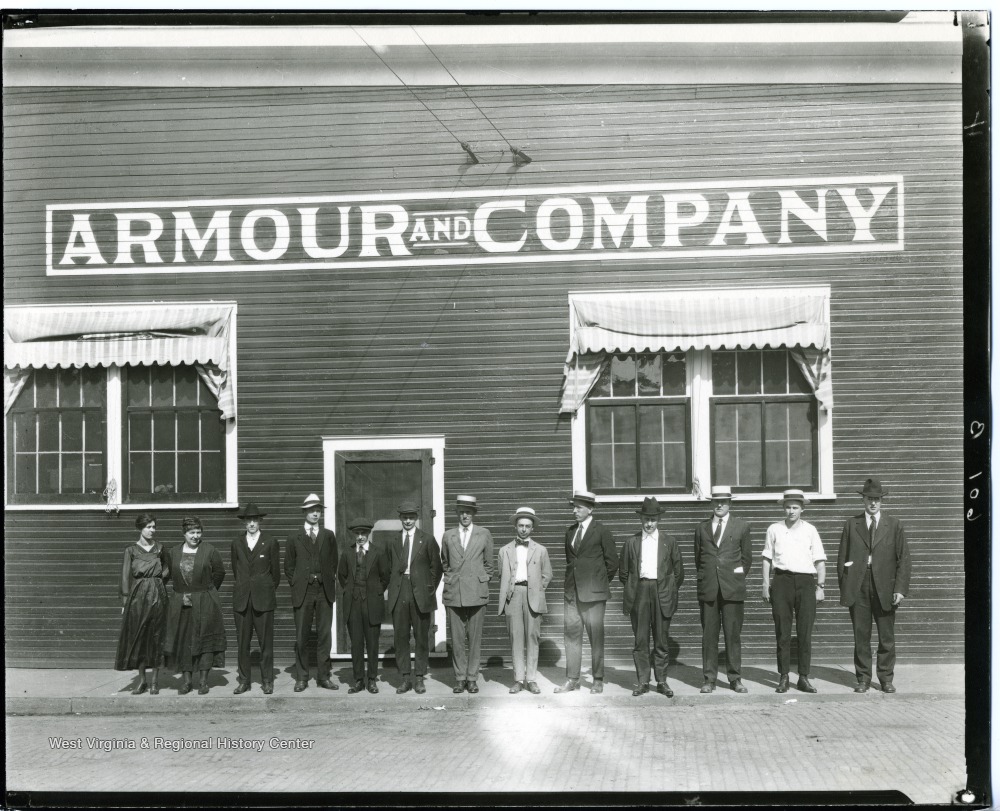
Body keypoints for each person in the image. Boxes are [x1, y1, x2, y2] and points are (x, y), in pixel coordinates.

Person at [837, 478, 912, 693]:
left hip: (885, 587)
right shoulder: (852, 525)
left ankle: (886, 679)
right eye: (869, 499)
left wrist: (899, 589)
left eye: (877, 499)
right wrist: (847, 587)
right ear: (863, 500)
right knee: (861, 636)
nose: (873, 503)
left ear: (881, 501)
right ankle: (862, 678)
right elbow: (842, 560)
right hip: (859, 586)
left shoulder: (894, 525)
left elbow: (903, 561)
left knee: (886, 637)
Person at [761, 489, 827, 694]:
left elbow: (820, 560)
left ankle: (804, 678)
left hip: (806, 582)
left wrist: (820, 586)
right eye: (788, 507)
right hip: (781, 581)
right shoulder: (774, 529)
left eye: (795, 507)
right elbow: (767, 559)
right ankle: (783, 677)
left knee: (805, 632)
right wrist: (765, 585)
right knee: (783, 631)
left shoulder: (810, 530)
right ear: (784, 508)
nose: (791, 511)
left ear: (802, 509)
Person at [619, 497, 684, 697]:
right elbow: (623, 573)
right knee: (640, 641)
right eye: (646, 519)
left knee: (661, 640)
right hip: (639, 592)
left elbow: (678, 573)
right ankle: (642, 681)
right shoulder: (631, 542)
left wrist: (666, 589)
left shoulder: (669, 542)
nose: (649, 524)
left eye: (653, 519)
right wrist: (635, 588)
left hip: (661, 591)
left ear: (658, 520)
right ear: (641, 519)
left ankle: (662, 681)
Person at [555, 490, 618, 694]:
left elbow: (612, 563)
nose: (575, 511)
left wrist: (597, 584)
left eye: (579, 507)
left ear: (590, 509)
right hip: (572, 594)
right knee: (571, 636)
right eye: (574, 507)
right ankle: (572, 679)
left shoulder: (602, 531)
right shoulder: (570, 532)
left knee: (596, 637)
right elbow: (571, 562)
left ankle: (598, 679)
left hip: (594, 595)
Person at [694, 485, 753, 694]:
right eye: (716, 501)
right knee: (709, 636)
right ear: (711, 503)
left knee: (732, 635)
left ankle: (735, 678)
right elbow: (698, 559)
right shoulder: (701, 528)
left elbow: (747, 559)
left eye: (724, 501)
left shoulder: (741, 527)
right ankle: (709, 679)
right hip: (709, 588)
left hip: (732, 589)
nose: (719, 505)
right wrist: (710, 577)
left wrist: (733, 578)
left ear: (730, 503)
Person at [163, 517, 227, 695]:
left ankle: (203, 682)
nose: (195, 536)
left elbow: (220, 573)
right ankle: (187, 682)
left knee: (204, 641)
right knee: (185, 642)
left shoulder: (209, 550)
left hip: (205, 603)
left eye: (199, 532)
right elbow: (167, 573)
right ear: (184, 533)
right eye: (192, 532)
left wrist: (207, 591)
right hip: (180, 605)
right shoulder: (174, 552)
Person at [285, 492, 339, 692]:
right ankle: (302, 677)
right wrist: (299, 583)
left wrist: (325, 579)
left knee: (324, 635)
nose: (315, 514)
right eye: (311, 511)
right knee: (302, 635)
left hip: (324, 591)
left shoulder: (328, 535)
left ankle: (323, 677)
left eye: (318, 511)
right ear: (304, 513)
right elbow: (288, 567)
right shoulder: (294, 537)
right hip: (304, 592)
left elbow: (334, 561)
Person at [386, 500, 442, 695]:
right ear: (400, 518)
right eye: (404, 517)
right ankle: (404, 678)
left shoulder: (427, 539)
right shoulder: (393, 541)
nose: (408, 521)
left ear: (416, 518)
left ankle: (419, 677)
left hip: (421, 594)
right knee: (400, 637)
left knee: (421, 637)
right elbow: (387, 570)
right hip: (400, 592)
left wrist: (428, 589)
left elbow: (437, 568)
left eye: (411, 517)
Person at [440, 495, 494, 693]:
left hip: (477, 593)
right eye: (462, 512)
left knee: (475, 638)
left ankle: (472, 678)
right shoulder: (448, 535)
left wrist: (480, 579)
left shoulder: (484, 534)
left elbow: (489, 565)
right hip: (454, 592)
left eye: (468, 512)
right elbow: (445, 562)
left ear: (473, 514)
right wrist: (453, 579)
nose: (465, 515)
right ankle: (460, 678)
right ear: (457, 513)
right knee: (457, 638)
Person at [497, 506, 552, 694]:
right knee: (516, 638)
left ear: (532, 528)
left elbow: (547, 575)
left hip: (533, 596)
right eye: (520, 525)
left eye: (527, 526)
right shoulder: (504, 550)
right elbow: (500, 573)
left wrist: (536, 590)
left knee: (532, 637)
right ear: (515, 526)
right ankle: (518, 679)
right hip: (513, 595)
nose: (523, 529)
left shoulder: (541, 550)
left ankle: (532, 679)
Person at [115, 512, 170, 695]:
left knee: (156, 637)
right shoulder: (130, 551)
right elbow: (125, 577)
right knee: (139, 637)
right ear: (140, 528)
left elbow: (167, 569)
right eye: (148, 527)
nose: (152, 530)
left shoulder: (160, 548)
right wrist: (125, 600)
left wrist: (157, 582)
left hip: (158, 595)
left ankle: (155, 681)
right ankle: (142, 681)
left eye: (154, 527)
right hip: (137, 597)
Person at [230, 502, 281, 695]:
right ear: (244, 523)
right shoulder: (236, 543)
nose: (251, 523)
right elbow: (236, 571)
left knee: (265, 643)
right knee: (242, 643)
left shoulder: (270, 541)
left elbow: (275, 574)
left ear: (260, 521)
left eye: (255, 520)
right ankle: (244, 681)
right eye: (248, 520)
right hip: (242, 599)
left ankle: (267, 680)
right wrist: (246, 586)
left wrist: (263, 588)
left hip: (264, 599)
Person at [338, 517, 391, 695]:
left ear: (368, 534)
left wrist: (375, 593)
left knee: (373, 644)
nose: (360, 537)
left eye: (363, 533)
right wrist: (352, 592)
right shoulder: (347, 553)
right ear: (354, 534)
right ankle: (359, 680)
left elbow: (385, 577)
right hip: (353, 604)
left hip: (372, 605)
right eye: (357, 533)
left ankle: (372, 680)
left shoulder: (378, 552)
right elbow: (342, 576)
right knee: (356, 644)